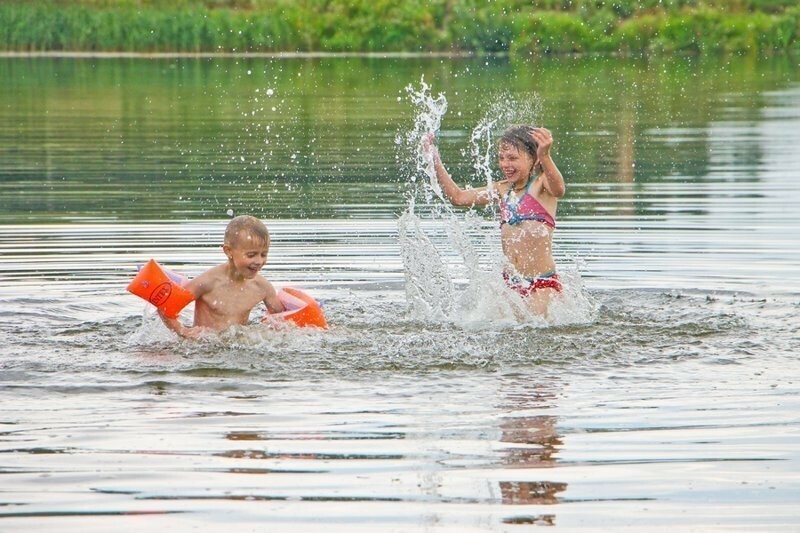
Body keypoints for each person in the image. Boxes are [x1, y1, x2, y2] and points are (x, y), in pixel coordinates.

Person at [423, 125, 566, 315]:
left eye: (513, 158)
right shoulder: (501, 189)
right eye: (502, 158)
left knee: (535, 330)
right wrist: (434, 159)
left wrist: (546, 155)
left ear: (535, 158)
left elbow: (559, 189)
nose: (505, 164)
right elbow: (458, 198)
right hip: (510, 285)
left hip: (542, 284)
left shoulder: (542, 186)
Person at [159, 215, 285, 338]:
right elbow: (165, 308)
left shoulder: (262, 288)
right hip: (203, 349)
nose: (258, 261)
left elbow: (284, 319)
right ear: (229, 251)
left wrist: (279, 328)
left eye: (263, 254)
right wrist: (182, 330)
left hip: (239, 350)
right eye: (251, 255)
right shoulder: (207, 282)